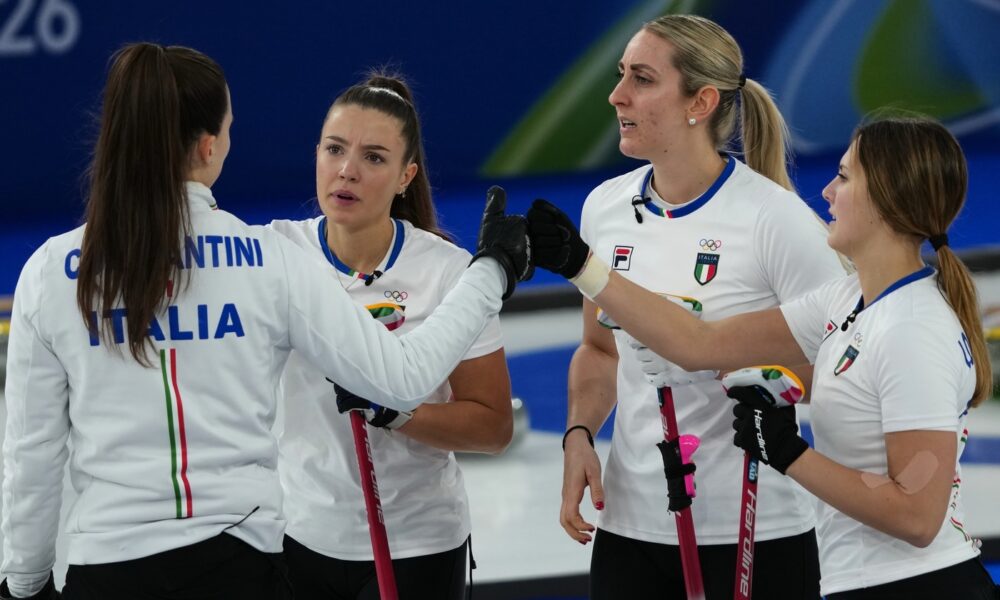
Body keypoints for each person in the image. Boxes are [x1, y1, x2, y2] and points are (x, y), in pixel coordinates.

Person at [0, 43, 530, 600]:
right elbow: (403, 378)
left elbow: (31, 456)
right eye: (228, 127)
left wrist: (27, 582)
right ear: (208, 145)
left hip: (105, 567)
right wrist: (493, 271)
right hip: (241, 563)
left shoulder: (49, 271)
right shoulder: (270, 258)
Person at [530, 114, 998, 598]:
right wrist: (581, 265)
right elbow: (700, 342)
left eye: (844, 177)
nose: (827, 193)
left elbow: (917, 517)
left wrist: (788, 452)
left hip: (919, 585)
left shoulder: (912, 329)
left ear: (886, 197)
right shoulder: (846, 300)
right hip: (861, 582)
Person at [535, 13, 845, 600]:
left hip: (753, 529)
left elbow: (835, 365)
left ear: (699, 101)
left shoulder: (775, 221)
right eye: (621, 73)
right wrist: (579, 433)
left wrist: (743, 370)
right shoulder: (604, 209)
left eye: (643, 79)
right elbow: (600, 350)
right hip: (631, 526)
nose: (616, 94)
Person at [271, 72, 512, 599]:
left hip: (417, 546)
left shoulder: (447, 272)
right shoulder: (276, 253)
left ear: (407, 175)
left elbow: (493, 427)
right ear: (316, 154)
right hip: (298, 535)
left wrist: (398, 413)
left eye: (374, 158)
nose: (347, 171)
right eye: (334, 149)